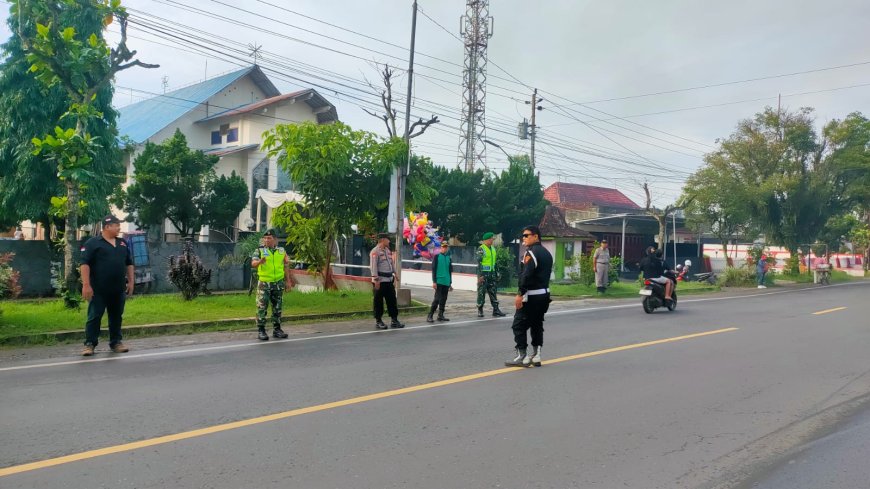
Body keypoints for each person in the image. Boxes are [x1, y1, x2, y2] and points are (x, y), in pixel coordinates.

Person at [80, 215, 134, 356]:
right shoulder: (93, 243)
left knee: (116, 316)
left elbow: (129, 263)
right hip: (98, 289)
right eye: (116, 225)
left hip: (118, 289)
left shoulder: (122, 243)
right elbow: (84, 264)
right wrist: (86, 285)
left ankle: (116, 342)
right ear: (107, 226)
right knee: (94, 317)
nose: (119, 227)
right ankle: (89, 344)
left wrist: (131, 282)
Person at [505, 225, 553, 368]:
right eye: (523, 235)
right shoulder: (546, 253)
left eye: (526, 235)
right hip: (544, 295)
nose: (523, 238)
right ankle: (536, 355)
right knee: (537, 324)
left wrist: (520, 294)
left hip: (531, 296)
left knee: (518, 325)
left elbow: (527, 275)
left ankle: (522, 356)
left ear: (536, 236)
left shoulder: (531, 253)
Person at [250, 229, 292, 341]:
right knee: (262, 307)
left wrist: (288, 281)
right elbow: (253, 263)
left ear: (275, 240)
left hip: (278, 283)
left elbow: (286, 266)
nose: (266, 240)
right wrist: (259, 262)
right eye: (265, 238)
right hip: (264, 283)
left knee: (277, 307)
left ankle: (277, 329)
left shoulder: (281, 251)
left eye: (269, 238)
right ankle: (261, 330)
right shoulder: (259, 250)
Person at [370, 233, 404, 330]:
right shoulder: (375, 251)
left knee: (392, 300)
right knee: (378, 302)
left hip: (389, 280)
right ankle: (378, 321)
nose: (389, 241)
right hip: (380, 281)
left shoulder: (387, 251)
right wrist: (376, 280)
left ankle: (394, 320)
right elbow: (373, 266)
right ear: (383, 240)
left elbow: (391, 263)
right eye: (388, 239)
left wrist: (395, 274)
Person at [476, 232, 506, 318]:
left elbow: (495, 263)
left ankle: (496, 310)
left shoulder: (493, 249)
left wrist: (497, 273)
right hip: (483, 274)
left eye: (492, 239)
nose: (492, 241)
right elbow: (479, 263)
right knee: (481, 292)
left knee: (493, 292)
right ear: (486, 240)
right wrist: (480, 276)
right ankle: (480, 309)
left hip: (492, 274)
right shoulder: (481, 249)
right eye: (491, 239)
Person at [428, 241, 454, 323]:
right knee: (437, 299)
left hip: (446, 281)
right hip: (439, 281)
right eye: (443, 247)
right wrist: (434, 281)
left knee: (444, 299)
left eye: (446, 247)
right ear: (440, 248)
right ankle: (430, 315)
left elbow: (450, 271)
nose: (444, 248)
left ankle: (440, 315)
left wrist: (450, 283)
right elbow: (434, 270)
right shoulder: (437, 257)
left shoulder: (449, 258)